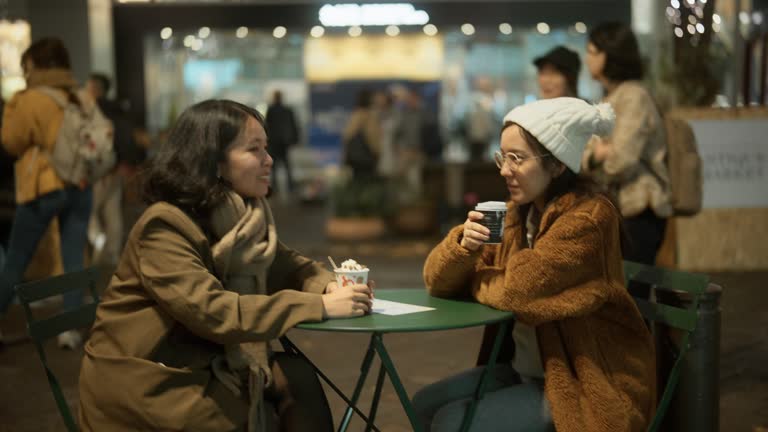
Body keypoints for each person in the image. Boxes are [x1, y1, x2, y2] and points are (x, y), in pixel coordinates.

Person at [78, 99, 373, 431]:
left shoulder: (240, 218)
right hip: (151, 379)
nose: (269, 160)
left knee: (298, 376)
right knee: (257, 406)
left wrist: (328, 285)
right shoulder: (164, 225)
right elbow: (212, 311)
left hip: (204, 359)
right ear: (213, 161)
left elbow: (286, 265)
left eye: (267, 148)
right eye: (254, 150)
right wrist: (318, 305)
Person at [414, 97, 655, 432]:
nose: (504, 170)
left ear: (557, 165)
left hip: (581, 378)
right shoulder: (517, 215)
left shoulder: (589, 218)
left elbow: (518, 291)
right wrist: (464, 248)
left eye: (517, 159)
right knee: (423, 405)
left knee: (451, 423)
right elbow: (435, 281)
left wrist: (477, 279)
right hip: (525, 367)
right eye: (502, 157)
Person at [0, 37, 93, 349]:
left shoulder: (30, 99)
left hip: (44, 186)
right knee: (73, 259)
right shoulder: (79, 96)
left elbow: (12, 142)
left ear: (34, 65)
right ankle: (70, 329)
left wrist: (14, 105)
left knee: (16, 259)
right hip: (80, 185)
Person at [582, 22, 672, 265]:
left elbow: (621, 160)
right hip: (619, 208)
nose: (586, 58)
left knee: (635, 290)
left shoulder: (633, 96)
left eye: (591, 52)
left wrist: (601, 156)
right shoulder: (610, 97)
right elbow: (586, 155)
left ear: (610, 55)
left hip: (640, 209)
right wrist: (595, 156)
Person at [85, 72, 140, 266]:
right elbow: (128, 139)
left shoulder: (94, 110)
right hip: (117, 168)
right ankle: (113, 255)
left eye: (88, 86)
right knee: (112, 211)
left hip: (100, 170)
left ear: (95, 88)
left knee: (88, 211)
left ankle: (99, 241)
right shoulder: (118, 109)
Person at [342, 88, 381, 179]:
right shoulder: (369, 116)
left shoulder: (355, 115)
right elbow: (373, 138)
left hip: (354, 160)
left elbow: (347, 136)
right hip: (367, 159)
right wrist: (378, 154)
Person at [265, 90, 299, 192]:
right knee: (287, 164)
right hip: (284, 142)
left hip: (274, 142)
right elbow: (293, 125)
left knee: (274, 166)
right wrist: (294, 139)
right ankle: (290, 186)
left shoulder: (270, 110)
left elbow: (267, 126)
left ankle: (275, 187)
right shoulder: (287, 110)